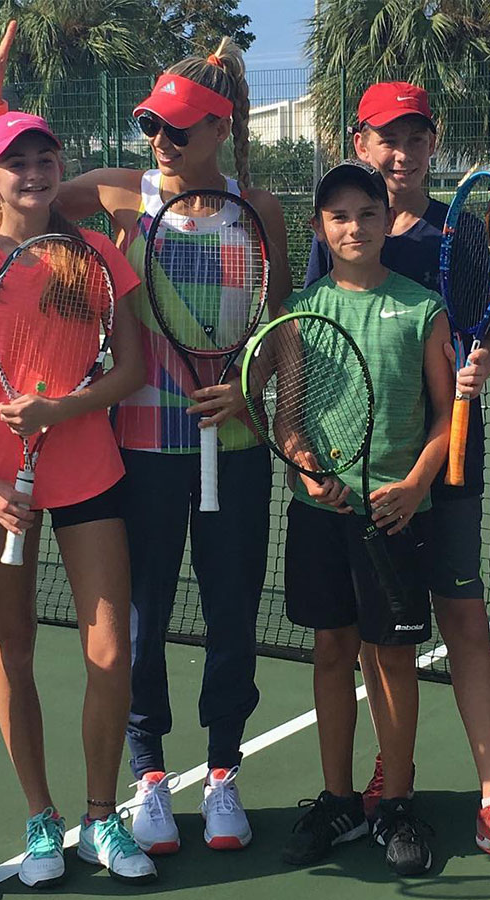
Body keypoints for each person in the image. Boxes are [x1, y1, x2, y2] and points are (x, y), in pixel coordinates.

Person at [0, 14, 294, 855]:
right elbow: (10, 190)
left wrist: (252, 398)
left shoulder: (260, 208)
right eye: (149, 123)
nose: (159, 140)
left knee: (229, 614)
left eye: (178, 129)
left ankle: (223, 773)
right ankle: (147, 776)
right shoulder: (118, 192)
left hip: (238, 452)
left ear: (220, 128)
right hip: (141, 453)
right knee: (145, 620)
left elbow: (278, 325)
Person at [0, 100, 157, 884]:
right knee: (14, 649)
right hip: (1, 494)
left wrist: (62, 409)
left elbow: (130, 370)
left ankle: (102, 818)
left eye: (45, 160)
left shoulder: (96, 254)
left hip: (91, 478)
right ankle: (41, 818)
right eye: (16, 162)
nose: (34, 174)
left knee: (109, 650)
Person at [305, 82, 490, 848]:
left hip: (447, 468)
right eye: (386, 138)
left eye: (415, 139)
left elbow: (483, 324)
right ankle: (377, 779)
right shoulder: (341, 237)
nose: (402, 153)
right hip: (366, 485)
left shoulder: (461, 232)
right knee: (373, 638)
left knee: (462, 621)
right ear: (360, 142)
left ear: (432, 141)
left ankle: (487, 788)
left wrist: (482, 368)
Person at [279, 161, 452, 876]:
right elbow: (288, 418)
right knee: (330, 653)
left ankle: (399, 801)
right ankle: (340, 797)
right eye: (339, 216)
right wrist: (304, 466)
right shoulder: (300, 313)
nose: (354, 226)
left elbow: (449, 418)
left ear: (389, 220)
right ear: (320, 227)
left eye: (367, 213)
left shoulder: (422, 309)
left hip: (396, 516)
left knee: (393, 660)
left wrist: (415, 483)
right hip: (320, 515)